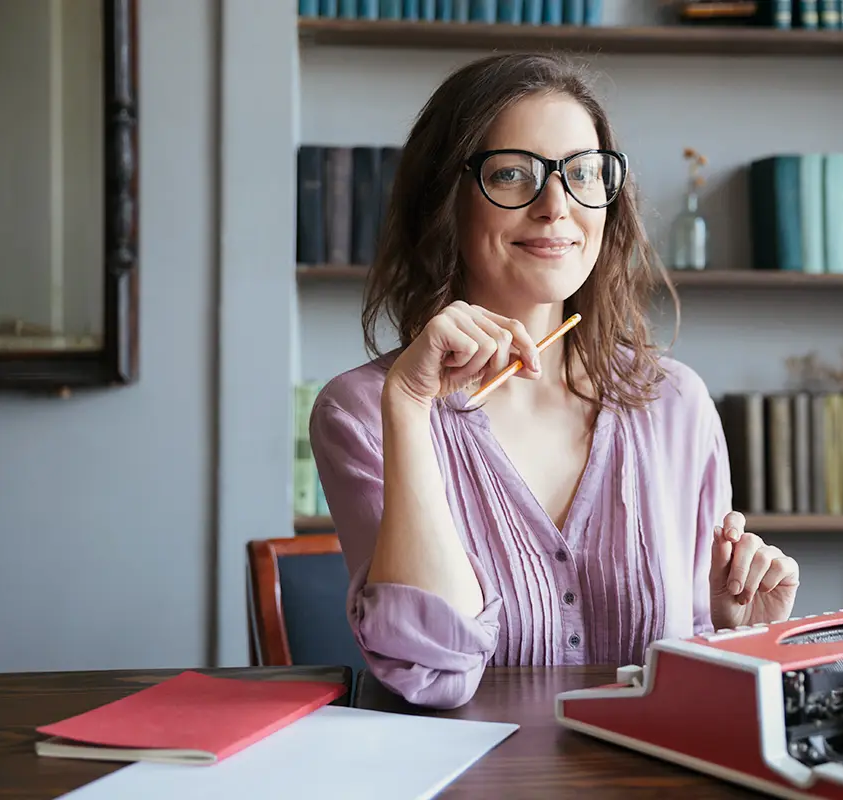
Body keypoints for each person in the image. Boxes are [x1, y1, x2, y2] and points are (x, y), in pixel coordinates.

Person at [308, 52, 801, 710]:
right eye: (512, 174)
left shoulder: (677, 405)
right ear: (445, 201)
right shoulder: (364, 410)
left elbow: (692, 681)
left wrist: (743, 638)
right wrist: (410, 404)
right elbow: (432, 673)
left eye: (582, 173)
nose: (555, 206)